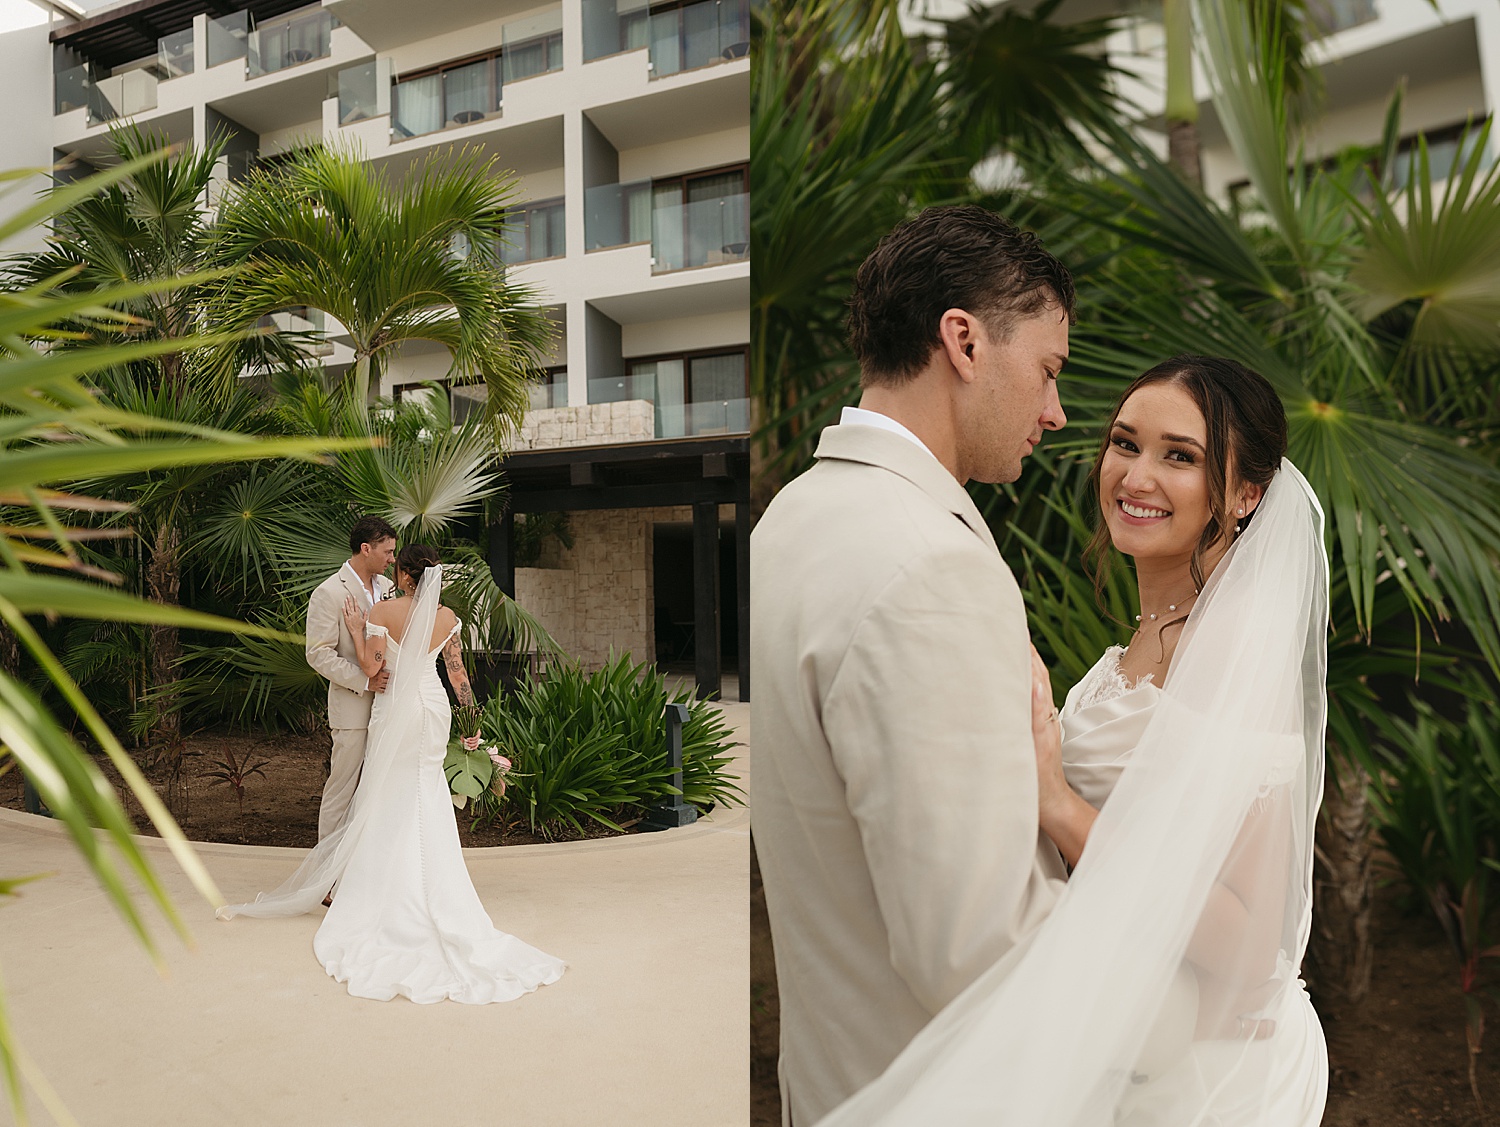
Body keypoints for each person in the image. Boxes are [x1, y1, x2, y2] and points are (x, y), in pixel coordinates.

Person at [820, 357, 1329, 1125]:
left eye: (1179, 456)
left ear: (1248, 495)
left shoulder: (1233, 652)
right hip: (1131, 1032)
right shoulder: (1135, 646)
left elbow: (1249, 940)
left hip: (1209, 1076)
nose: (1136, 475)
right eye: (1126, 443)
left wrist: (1057, 804)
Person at [751, 205, 1075, 1126]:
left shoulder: (792, 520)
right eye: (1049, 370)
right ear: (964, 340)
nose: (1056, 412)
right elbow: (976, 947)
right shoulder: (931, 565)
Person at [218, 545, 565, 1006]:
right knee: (427, 790)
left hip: (395, 709)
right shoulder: (448, 618)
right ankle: (439, 891)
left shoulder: (382, 610)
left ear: (403, 575)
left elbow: (373, 669)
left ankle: (381, 892)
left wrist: (361, 634)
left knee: (385, 792)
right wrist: (474, 730)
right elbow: (459, 679)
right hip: (434, 710)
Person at [305, 515, 397, 840]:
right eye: (387, 552)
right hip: (353, 709)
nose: (392, 559)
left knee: (378, 792)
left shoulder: (389, 589)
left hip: (389, 708)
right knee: (341, 791)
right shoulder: (328, 593)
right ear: (365, 549)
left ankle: (359, 872)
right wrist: (364, 680)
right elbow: (318, 654)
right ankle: (326, 878)